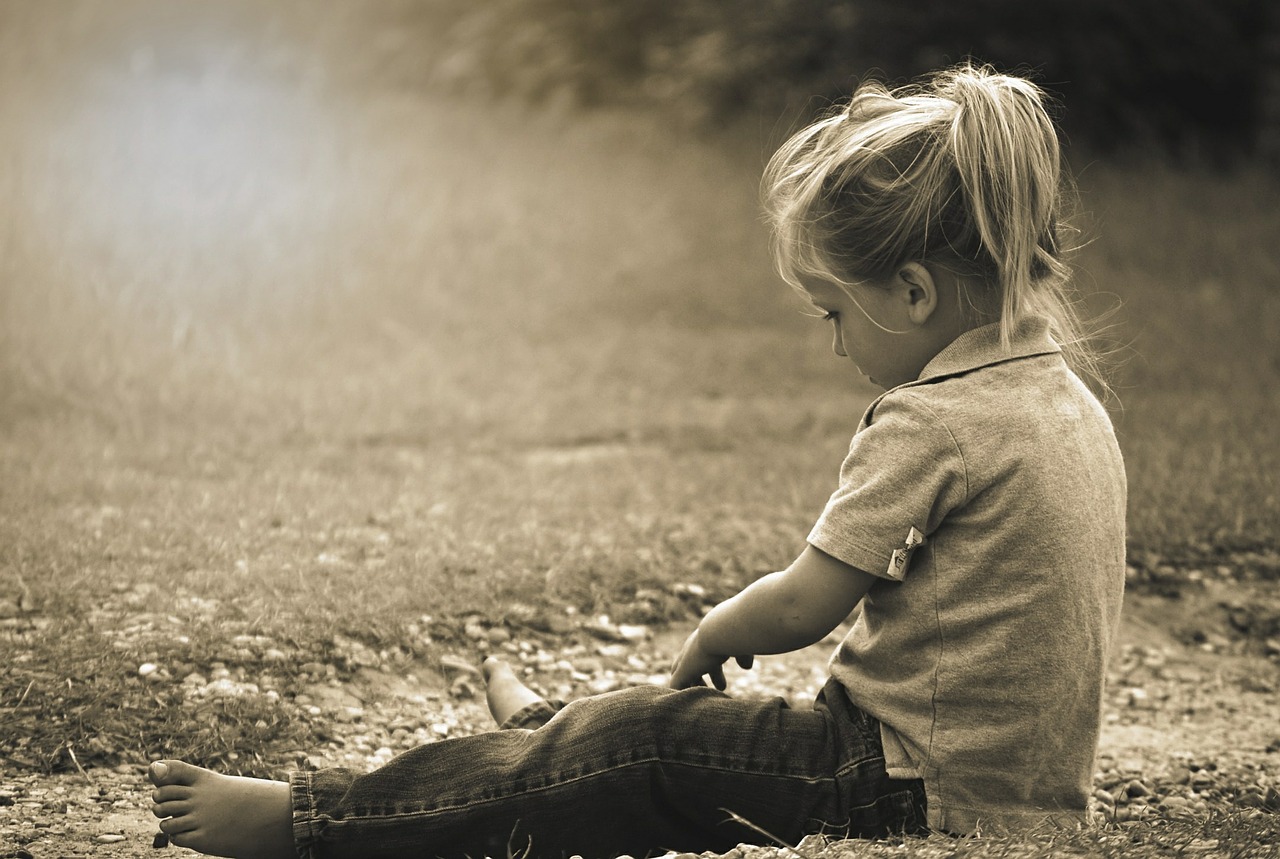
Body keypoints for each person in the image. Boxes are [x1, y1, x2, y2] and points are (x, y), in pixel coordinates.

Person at [147, 62, 1126, 859]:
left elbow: (802, 604)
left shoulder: (933, 416)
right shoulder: (1067, 403)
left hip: (894, 784)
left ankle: (319, 819)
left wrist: (712, 629)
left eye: (834, 313)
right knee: (650, 739)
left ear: (911, 292)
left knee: (639, 744)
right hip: (1017, 796)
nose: (835, 345)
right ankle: (540, 739)